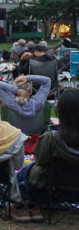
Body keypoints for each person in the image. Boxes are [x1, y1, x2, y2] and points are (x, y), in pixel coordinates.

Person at [15, 89, 79, 221]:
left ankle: (18, 196)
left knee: (29, 168)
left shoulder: (51, 139)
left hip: (53, 189)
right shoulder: (53, 139)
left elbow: (40, 160)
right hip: (74, 191)